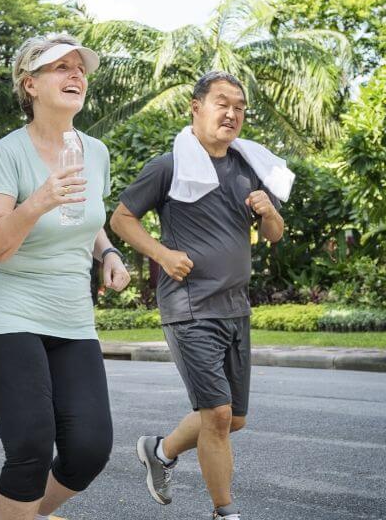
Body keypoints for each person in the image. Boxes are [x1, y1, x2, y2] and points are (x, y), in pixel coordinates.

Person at [110, 71, 287, 520]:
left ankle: (161, 450)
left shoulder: (250, 167)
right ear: (196, 107)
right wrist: (163, 254)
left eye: (240, 107)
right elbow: (122, 218)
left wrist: (268, 213)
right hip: (189, 307)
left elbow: (274, 234)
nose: (232, 114)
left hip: (235, 307)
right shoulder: (169, 164)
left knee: (235, 419)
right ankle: (224, 512)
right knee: (219, 416)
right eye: (222, 103)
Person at [0, 34, 130, 520]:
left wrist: (108, 252)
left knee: (88, 449)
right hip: (7, 314)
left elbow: (89, 219)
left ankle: (25, 515)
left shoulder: (95, 151)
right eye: (59, 67)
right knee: (31, 445)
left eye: (79, 68)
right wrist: (38, 200)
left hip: (72, 317)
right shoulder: (8, 152)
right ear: (30, 85)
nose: (74, 74)